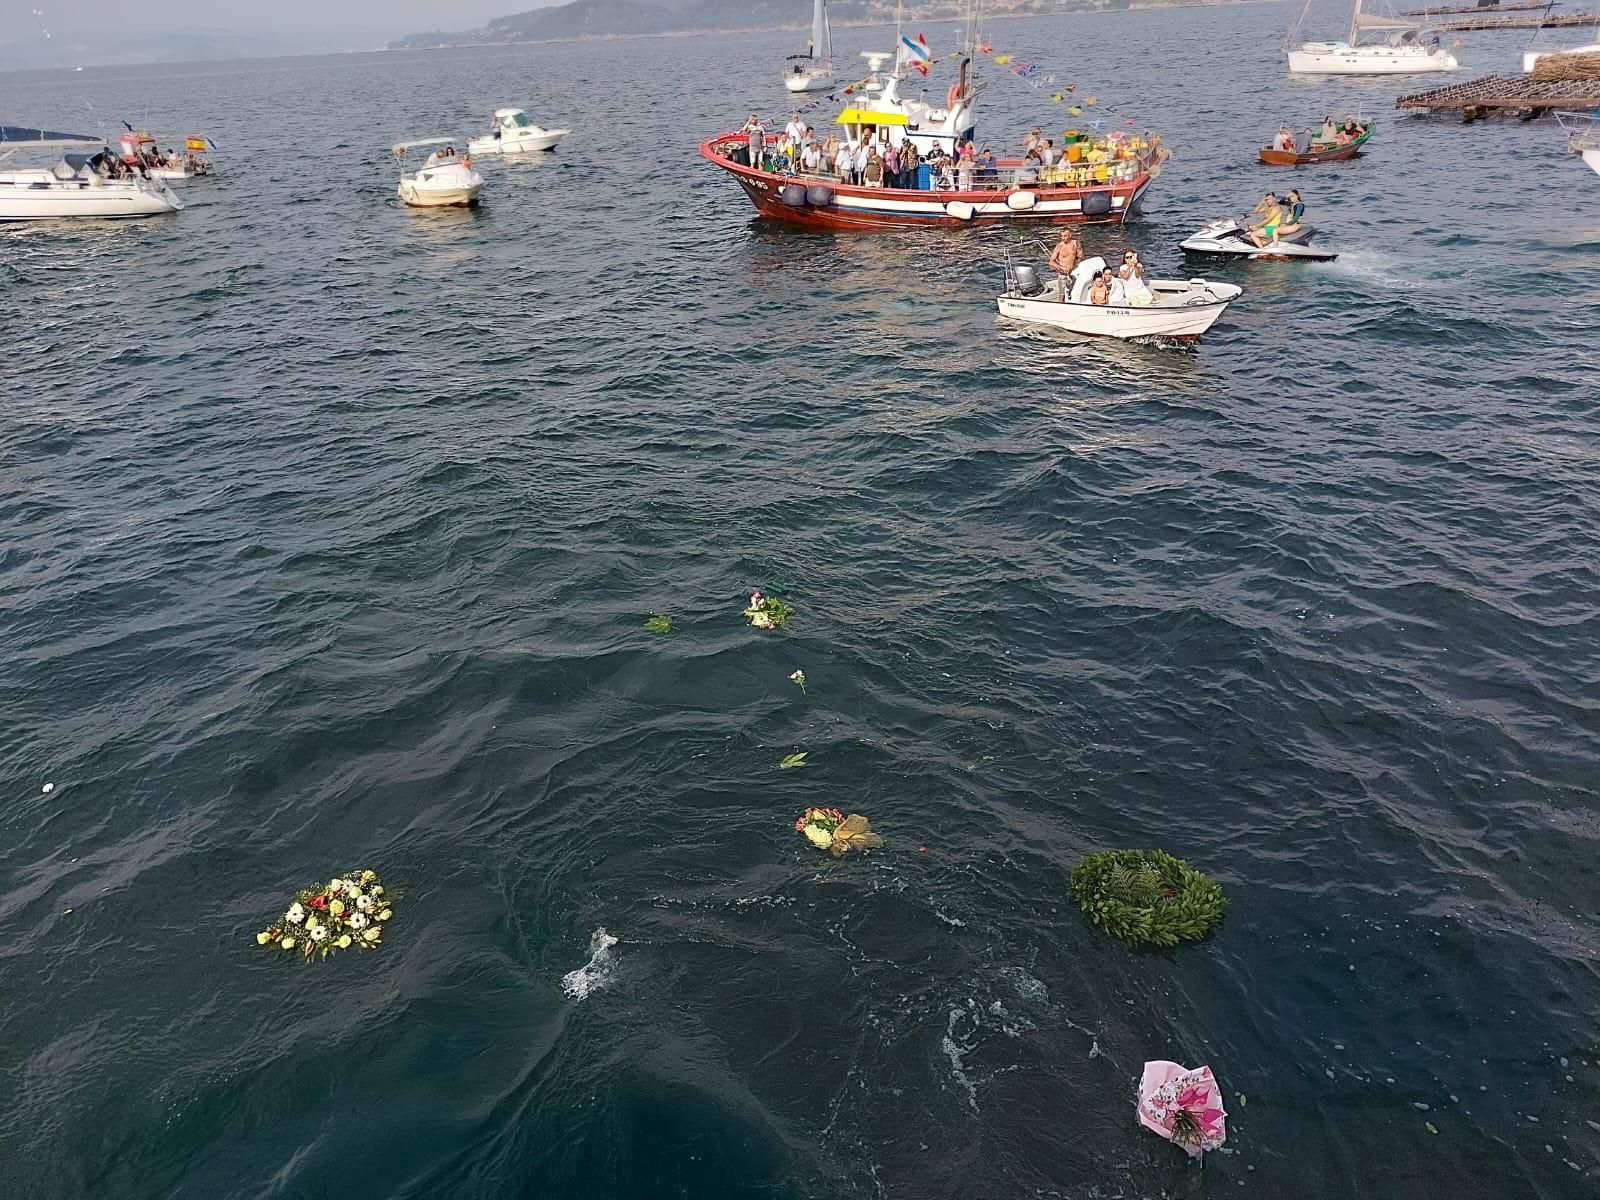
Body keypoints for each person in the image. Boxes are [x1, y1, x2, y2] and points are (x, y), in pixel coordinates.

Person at [1048, 229, 1083, 301]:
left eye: (1065, 236)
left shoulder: (1075, 244)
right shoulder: (1059, 246)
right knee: (1062, 295)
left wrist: (1075, 266)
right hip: (1063, 274)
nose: (1063, 238)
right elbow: (1051, 262)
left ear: (1070, 235)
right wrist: (1060, 267)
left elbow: (1080, 257)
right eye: (1062, 236)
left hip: (1074, 272)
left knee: (1076, 293)